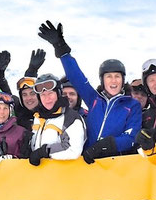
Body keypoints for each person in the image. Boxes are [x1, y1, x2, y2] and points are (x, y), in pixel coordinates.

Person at [37, 20, 141, 162]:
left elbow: (131, 137)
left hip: (115, 163)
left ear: (123, 80)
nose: (113, 80)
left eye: (117, 76)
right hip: (86, 163)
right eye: (109, 76)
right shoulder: (94, 99)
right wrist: (61, 49)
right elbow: (76, 77)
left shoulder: (132, 105)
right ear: (102, 80)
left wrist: (107, 146)